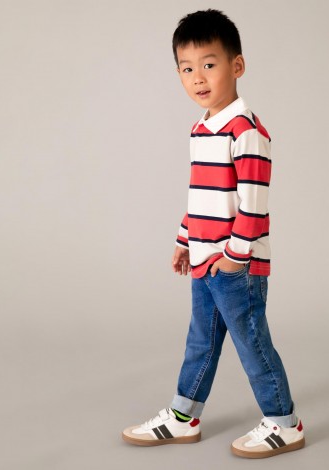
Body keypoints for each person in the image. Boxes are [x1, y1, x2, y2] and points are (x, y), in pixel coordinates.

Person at [122, 9, 305, 459]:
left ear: (236, 66)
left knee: (252, 342)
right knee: (200, 341)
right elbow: (201, 196)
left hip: (236, 265)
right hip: (206, 260)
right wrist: (184, 239)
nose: (198, 78)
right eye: (187, 69)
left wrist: (235, 257)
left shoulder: (246, 131)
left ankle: (285, 423)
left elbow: (254, 206)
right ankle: (183, 416)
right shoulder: (201, 129)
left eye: (209, 64)